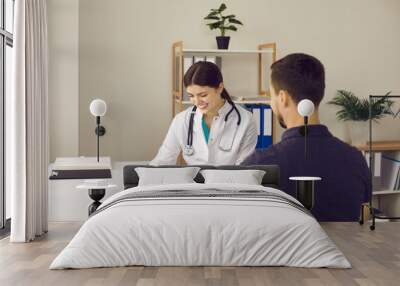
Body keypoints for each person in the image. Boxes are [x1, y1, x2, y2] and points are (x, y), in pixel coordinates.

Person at [242, 53, 370, 221]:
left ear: (282, 98)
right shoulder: (356, 159)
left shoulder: (258, 166)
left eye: (271, 97)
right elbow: (365, 220)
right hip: (343, 247)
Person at [151, 61, 258, 166]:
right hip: (194, 182)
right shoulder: (182, 120)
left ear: (220, 88)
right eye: (191, 96)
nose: (197, 102)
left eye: (203, 95)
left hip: (229, 182)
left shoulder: (246, 120)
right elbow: (162, 162)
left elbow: (244, 168)